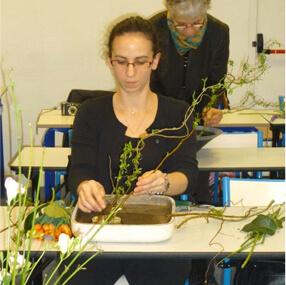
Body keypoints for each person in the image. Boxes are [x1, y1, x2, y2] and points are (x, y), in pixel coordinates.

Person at [66, 16, 198, 285]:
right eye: (121, 62)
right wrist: (85, 186)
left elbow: (187, 174)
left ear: (155, 61)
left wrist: (165, 182)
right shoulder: (91, 113)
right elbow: (78, 169)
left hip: (156, 235)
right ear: (109, 62)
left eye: (140, 62)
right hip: (99, 233)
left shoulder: (178, 113)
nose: (130, 73)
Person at [150, 0, 230, 204]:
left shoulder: (218, 32)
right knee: (159, 180)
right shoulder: (153, 29)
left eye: (197, 23)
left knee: (198, 177)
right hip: (160, 115)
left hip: (198, 120)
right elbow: (149, 79)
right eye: (181, 25)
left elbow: (216, 81)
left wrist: (212, 107)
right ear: (170, 16)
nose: (189, 31)